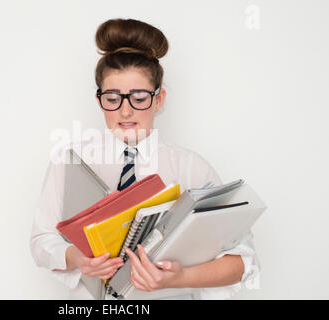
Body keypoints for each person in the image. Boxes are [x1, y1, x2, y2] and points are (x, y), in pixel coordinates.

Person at [30, 18, 260, 300]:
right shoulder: (72, 163)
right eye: (113, 98)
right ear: (99, 99)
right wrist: (76, 258)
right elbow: (42, 241)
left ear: (159, 99)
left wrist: (180, 278)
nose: (125, 111)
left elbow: (243, 260)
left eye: (139, 98)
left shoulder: (191, 168)